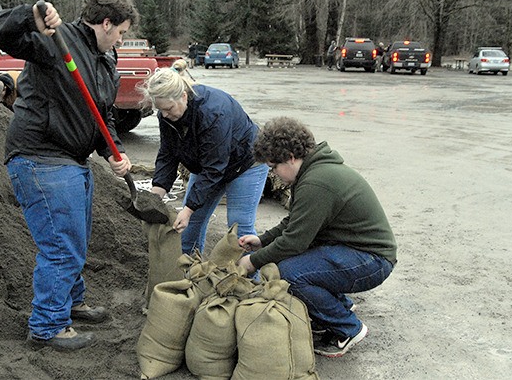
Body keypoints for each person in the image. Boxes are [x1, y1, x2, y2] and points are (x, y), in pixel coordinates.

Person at [0, 0, 139, 351]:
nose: (120, 39)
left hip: (74, 159)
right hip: (41, 156)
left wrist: (111, 151)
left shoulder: (105, 58)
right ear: (106, 24)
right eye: (120, 32)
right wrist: (31, 17)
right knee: (61, 245)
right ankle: (48, 325)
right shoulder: (55, 40)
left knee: (75, 240)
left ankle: (71, 302)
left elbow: (104, 114)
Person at [238, 117, 397, 358]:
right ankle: (336, 308)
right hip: (353, 251)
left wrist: (252, 261)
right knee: (296, 264)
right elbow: (294, 223)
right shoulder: (312, 171)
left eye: (274, 166)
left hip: (372, 261)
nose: (274, 173)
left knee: (290, 273)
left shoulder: (316, 182)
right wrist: (262, 240)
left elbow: (294, 242)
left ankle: (348, 328)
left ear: (290, 156)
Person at [140, 59, 269, 255]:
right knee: (187, 227)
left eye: (169, 109)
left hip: (245, 164)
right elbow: (168, 154)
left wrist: (189, 209)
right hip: (208, 165)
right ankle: (189, 273)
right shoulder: (168, 115)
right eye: (160, 110)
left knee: (239, 230)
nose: (164, 115)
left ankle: (251, 280)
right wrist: (156, 195)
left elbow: (214, 167)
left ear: (183, 96)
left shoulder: (213, 113)